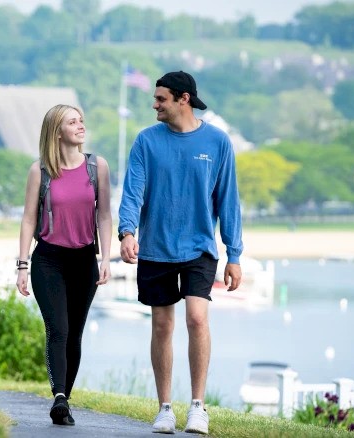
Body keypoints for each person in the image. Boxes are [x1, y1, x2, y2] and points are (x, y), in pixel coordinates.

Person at [117, 71, 243, 435]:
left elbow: (228, 201)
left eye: (161, 99)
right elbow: (133, 191)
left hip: (200, 247)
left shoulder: (218, 142)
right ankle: (165, 408)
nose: (154, 104)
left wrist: (234, 254)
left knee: (197, 319)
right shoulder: (146, 141)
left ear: (183, 99)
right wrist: (127, 231)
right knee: (161, 324)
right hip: (156, 247)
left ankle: (198, 407)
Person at [16, 104, 112, 426]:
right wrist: (22, 265)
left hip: (84, 259)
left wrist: (106, 258)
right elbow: (29, 218)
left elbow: (104, 215)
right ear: (57, 132)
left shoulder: (97, 167)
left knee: (75, 335)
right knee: (58, 329)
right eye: (73, 122)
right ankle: (58, 396)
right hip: (48, 260)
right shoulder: (40, 171)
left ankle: (64, 400)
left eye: (81, 120)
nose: (80, 126)